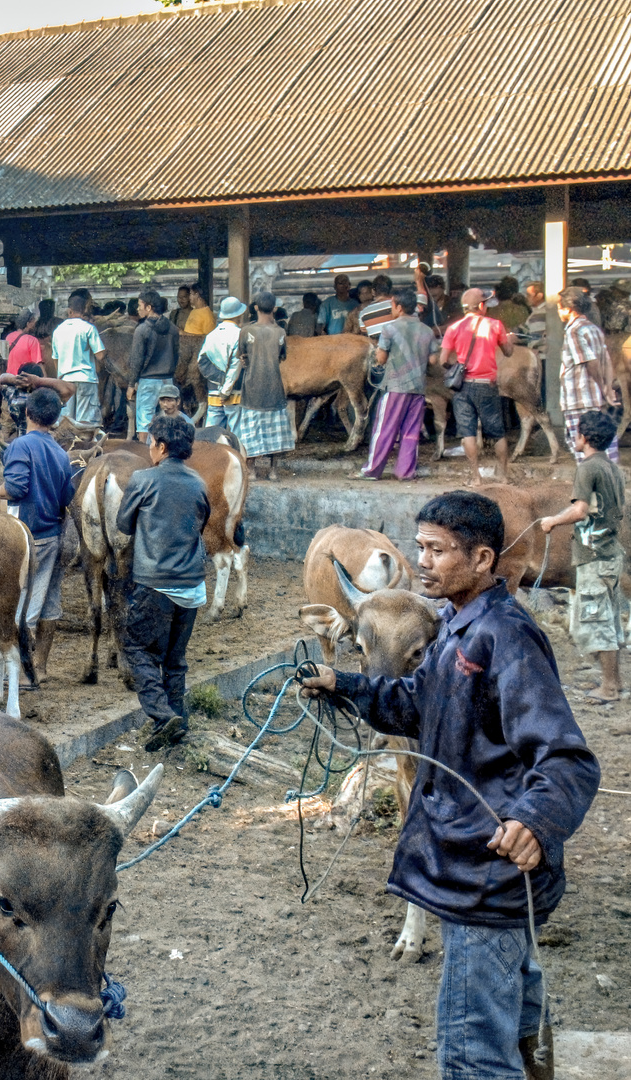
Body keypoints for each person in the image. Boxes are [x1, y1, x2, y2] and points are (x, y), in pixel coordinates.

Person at [300, 491, 599, 1079]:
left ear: (484, 559)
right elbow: (418, 703)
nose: (424, 562)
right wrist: (347, 685)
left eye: (438, 551)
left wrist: (535, 823)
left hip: (484, 873)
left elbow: (567, 758)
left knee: (473, 1054)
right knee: (516, 1020)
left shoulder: (505, 637)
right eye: (422, 549)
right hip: (479, 868)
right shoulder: (459, 628)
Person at [116, 414, 210, 752]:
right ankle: (178, 722)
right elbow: (199, 528)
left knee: (137, 648)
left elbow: (124, 525)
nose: (149, 448)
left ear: (162, 446)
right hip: (192, 587)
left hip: (153, 583)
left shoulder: (143, 479)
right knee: (175, 659)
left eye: (151, 442)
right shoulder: (199, 483)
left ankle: (160, 714)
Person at [0, 388, 78, 685]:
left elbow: (16, 488)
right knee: (49, 601)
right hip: (53, 533)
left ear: (26, 413)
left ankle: (24, 671)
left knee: (23, 603)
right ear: (56, 419)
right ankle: (41, 666)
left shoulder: (21, 446)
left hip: (26, 537)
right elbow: (67, 496)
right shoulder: (61, 454)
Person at [540, 410, 625, 703]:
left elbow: (579, 510)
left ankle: (609, 687)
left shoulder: (587, 468)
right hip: (611, 552)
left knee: (594, 620)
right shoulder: (614, 468)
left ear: (584, 437)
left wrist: (552, 520)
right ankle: (613, 681)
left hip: (594, 554)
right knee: (609, 618)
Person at [358, 286, 434, 481]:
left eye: (392, 305)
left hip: (396, 386)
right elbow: (434, 360)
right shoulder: (426, 330)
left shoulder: (389, 328)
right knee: (411, 431)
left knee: (384, 428)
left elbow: (381, 358)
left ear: (399, 307)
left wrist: (377, 353)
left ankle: (372, 470)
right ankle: (405, 472)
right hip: (418, 388)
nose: (391, 308)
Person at [441, 287, 515, 485]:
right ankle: (503, 475)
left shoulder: (453, 329)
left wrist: (458, 369)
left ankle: (475, 478)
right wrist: (511, 340)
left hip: (463, 387)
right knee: (497, 432)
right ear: (481, 306)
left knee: (468, 433)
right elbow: (508, 352)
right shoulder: (495, 325)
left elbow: (443, 360)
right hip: (486, 385)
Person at [236, 292, 297, 480]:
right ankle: (273, 471)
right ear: (275, 309)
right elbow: (282, 356)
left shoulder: (246, 331)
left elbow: (242, 354)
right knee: (275, 431)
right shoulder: (280, 332)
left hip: (252, 386)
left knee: (251, 430)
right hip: (274, 387)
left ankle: (252, 470)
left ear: (255, 308)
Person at [558, 286, 620, 464]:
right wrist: (607, 388)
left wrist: (602, 387)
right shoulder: (594, 329)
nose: (558, 312)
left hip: (578, 398)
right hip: (594, 400)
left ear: (568, 310)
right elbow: (606, 361)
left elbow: (590, 362)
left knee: (582, 448)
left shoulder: (574, 331)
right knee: (602, 444)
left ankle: (591, 486)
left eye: (559, 308)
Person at [50, 290, 105, 425]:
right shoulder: (89, 328)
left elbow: (55, 359)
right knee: (85, 422)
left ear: (70, 311)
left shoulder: (58, 331)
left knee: (66, 422)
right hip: (86, 379)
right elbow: (100, 355)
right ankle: (85, 446)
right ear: (85, 309)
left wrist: (61, 375)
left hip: (65, 380)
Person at [129, 290, 178, 441]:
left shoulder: (142, 330)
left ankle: (144, 452)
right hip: (167, 380)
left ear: (148, 307)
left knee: (144, 421)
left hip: (148, 381)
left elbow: (136, 359)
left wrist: (131, 384)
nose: (138, 309)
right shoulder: (173, 329)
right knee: (166, 420)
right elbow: (176, 355)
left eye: (139, 305)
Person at [198, 295, 246, 430]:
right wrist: (225, 389)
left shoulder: (211, 335)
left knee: (211, 433)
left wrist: (218, 381)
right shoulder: (239, 335)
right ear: (239, 315)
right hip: (234, 392)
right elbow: (236, 365)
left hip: (213, 391)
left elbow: (201, 362)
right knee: (237, 434)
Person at [4, 306, 42, 375]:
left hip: (9, 378)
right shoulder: (32, 341)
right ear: (28, 324)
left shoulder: (9, 337)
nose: (35, 325)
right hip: (24, 379)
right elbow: (37, 365)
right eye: (33, 322)